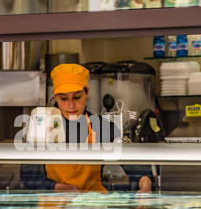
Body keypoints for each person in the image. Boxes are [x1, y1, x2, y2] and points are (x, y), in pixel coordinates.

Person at [20, 64, 153, 193]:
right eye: (63, 99)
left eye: (77, 97)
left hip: (93, 208)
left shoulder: (102, 126)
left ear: (87, 92)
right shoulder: (41, 127)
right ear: (55, 97)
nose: (71, 105)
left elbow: (134, 165)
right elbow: (28, 176)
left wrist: (145, 183)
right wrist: (56, 187)